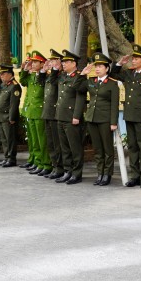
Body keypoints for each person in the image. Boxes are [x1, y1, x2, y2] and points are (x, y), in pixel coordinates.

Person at [113, 45, 141, 188]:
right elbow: (114, 75)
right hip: (130, 115)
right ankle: (135, 175)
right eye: (133, 58)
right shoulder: (129, 73)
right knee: (132, 146)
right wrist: (120, 63)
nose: (133, 61)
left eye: (136, 58)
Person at [82, 52, 120, 186]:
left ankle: (107, 174)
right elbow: (77, 88)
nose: (97, 68)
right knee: (97, 149)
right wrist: (83, 74)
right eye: (96, 66)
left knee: (107, 148)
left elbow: (115, 104)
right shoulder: (91, 81)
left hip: (105, 119)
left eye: (100, 66)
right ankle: (100, 173)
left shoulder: (112, 84)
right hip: (92, 118)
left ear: (107, 68)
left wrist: (113, 122)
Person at [55, 49, 87, 184]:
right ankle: (68, 171)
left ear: (74, 63)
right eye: (63, 62)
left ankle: (76, 173)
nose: (64, 64)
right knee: (65, 147)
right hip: (61, 116)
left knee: (75, 148)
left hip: (71, 117)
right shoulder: (63, 76)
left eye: (66, 62)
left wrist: (76, 116)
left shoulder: (79, 78)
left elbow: (80, 98)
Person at [18, 52, 48, 173]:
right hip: (30, 111)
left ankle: (44, 163)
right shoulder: (31, 76)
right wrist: (24, 68)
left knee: (42, 139)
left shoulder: (44, 76)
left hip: (39, 111)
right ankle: (36, 161)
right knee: (33, 139)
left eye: (35, 62)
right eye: (32, 61)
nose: (33, 64)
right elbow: (22, 81)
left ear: (42, 64)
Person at [0, 64, 22, 167]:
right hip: (1, 117)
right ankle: (6, 157)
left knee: (10, 139)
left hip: (8, 118)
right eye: (1, 74)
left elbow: (14, 104)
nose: (1, 76)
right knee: (4, 139)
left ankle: (11, 158)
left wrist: (12, 118)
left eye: (3, 74)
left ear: (10, 74)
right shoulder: (2, 85)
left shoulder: (14, 86)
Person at [41, 51, 63, 178]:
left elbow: (54, 82)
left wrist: (54, 70)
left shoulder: (59, 76)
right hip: (48, 113)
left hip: (55, 113)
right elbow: (40, 81)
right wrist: (44, 71)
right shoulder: (50, 76)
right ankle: (55, 166)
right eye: (50, 61)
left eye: (54, 61)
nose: (50, 63)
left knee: (57, 144)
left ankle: (60, 168)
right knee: (50, 143)